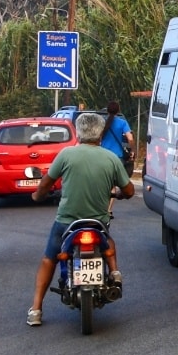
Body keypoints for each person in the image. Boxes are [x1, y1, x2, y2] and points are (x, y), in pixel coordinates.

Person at [27, 111, 134, 327]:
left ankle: (36, 309)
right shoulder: (111, 158)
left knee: (49, 258)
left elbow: (46, 183)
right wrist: (120, 194)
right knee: (108, 240)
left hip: (67, 222)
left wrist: (37, 195)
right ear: (100, 135)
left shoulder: (66, 155)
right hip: (97, 223)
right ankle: (114, 271)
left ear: (78, 133)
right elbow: (129, 190)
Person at [101, 100, 135, 169]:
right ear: (118, 111)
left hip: (103, 156)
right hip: (117, 157)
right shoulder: (123, 123)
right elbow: (130, 138)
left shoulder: (102, 122)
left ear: (107, 111)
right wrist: (132, 150)